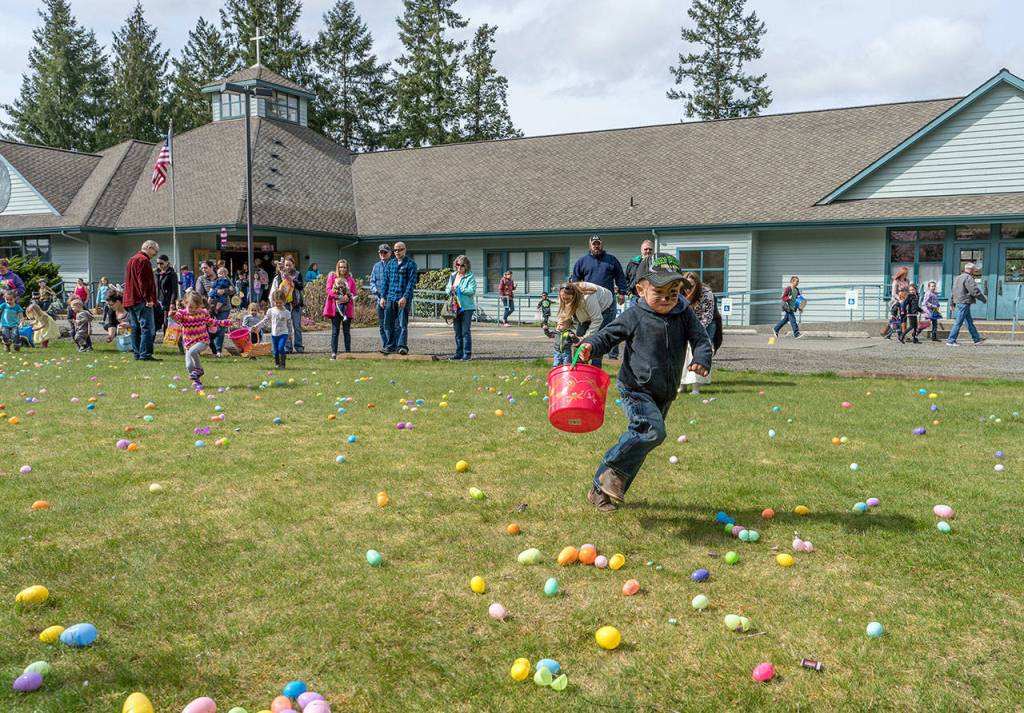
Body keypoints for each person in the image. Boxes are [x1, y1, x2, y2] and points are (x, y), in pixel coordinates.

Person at [576, 253, 712, 512]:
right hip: (636, 388)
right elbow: (608, 335)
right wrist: (590, 346)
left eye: (673, 292)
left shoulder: (683, 313)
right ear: (640, 289)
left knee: (643, 443)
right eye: (659, 292)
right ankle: (608, 474)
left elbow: (701, 339)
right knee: (651, 432)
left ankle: (599, 491)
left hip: (665, 391)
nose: (667, 299)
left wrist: (702, 358)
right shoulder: (635, 314)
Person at [572, 236, 628, 356]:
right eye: (594, 244)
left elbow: (620, 277)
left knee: (607, 330)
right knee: (586, 330)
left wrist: (622, 293)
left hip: (607, 302)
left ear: (602, 245)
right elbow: (575, 282)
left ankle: (611, 357)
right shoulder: (582, 261)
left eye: (598, 243)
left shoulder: (611, 260)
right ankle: (582, 360)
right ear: (590, 245)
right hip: (588, 301)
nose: (596, 246)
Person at [172, 291, 234, 393]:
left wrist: (226, 322)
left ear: (200, 305)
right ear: (185, 303)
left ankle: (199, 369)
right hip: (188, 343)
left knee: (193, 352)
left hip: (202, 340)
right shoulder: (182, 314)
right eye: (190, 307)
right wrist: (173, 315)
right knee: (189, 366)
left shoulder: (203, 313)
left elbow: (212, 322)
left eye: (196, 307)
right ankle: (197, 381)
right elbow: (177, 319)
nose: (193, 310)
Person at [557, 281, 614, 367]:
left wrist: (585, 337)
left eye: (568, 299)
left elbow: (597, 319)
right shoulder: (564, 297)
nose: (565, 302)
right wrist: (561, 323)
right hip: (587, 312)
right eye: (563, 299)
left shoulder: (587, 298)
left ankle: (596, 369)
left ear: (574, 296)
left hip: (605, 308)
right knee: (578, 340)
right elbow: (564, 314)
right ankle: (579, 368)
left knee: (596, 340)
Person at [123, 240, 160, 361]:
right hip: (141, 299)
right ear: (149, 248)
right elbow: (144, 283)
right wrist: (148, 298)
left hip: (130, 299)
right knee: (147, 328)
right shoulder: (144, 260)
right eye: (155, 251)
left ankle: (137, 353)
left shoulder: (131, 259)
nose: (155, 254)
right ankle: (145, 354)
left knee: (135, 327)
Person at [379, 242, 418, 355]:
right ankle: (390, 346)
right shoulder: (390, 264)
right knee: (388, 323)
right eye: (395, 250)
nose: (397, 252)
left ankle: (402, 346)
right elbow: (385, 282)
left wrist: (405, 297)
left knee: (402, 324)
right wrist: (383, 297)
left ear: (405, 250)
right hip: (390, 297)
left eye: (400, 249)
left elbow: (411, 283)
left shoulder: (411, 264)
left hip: (403, 299)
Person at [680, 272, 716, 395]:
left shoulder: (706, 293)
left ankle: (696, 388)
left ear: (697, 284)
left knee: (697, 356)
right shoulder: (679, 293)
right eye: (685, 285)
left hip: (703, 326)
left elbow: (708, 315)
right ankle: (682, 385)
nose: (688, 288)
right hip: (685, 327)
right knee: (682, 356)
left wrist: (695, 331)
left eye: (691, 285)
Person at [196, 260, 235, 356]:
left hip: (224, 308)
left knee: (220, 328)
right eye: (202, 268)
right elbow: (199, 294)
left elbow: (233, 290)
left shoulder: (223, 275)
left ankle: (218, 351)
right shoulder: (201, 279)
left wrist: (223, 291)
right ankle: (213, 349)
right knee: (208, 329)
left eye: (205, 267)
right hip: (208, 309)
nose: (203, 270)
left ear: (212, 267)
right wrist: (210, 296)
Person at [251, 290, 294, 369]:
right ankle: (277, 363)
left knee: (281, 348)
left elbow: (289, 325)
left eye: (280, 303)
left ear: (284, 301)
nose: (278, 304)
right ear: (274, 301)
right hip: (274, 334)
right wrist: (256, 326)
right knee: (275, 351)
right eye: (276, 303)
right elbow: (265, 320)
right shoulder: (271, 311)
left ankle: (283, 364)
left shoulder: (287, 312)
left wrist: (290, 334)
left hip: (283, 333)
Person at [444, 255, 476, 361]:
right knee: (457, 331)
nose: (459, 267)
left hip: (467, 307)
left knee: (465, 331)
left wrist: (459, 289)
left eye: (462, 265)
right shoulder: (453, 276)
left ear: (466, 266)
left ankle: (467, 354)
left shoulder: (470, 276)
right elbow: (447, 289)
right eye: (458, 265)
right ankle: (458, 353)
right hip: (455, 307)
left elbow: (471, 290)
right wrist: (451, 289)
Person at [324, 258, 358, 358]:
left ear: (347, 268)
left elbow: (354, 292)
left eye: (344, 267)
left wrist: (347, 298)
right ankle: (334, 352)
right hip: (335, 308)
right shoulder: (332, 277)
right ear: (338, 268)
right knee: (335, 331)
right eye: (340, 267)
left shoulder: (350, 279)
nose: (342, 269)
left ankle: (348, 352)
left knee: (347, 331)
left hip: (347, 309)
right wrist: (339, 297)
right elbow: (329, 290)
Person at [947, 263, 986, 346]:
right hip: (965, 302)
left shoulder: (957, 278)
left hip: (959, 302)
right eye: (974, 270)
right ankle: (951, 340)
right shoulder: (968, 278)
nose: (974, 271)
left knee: (969, 322)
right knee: (958, 322)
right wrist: (983, 299)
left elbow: (953, 291)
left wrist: (952, 302)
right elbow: (974, 291)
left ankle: (977, 339)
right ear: (971, 270)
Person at [271, 257, 305, 353]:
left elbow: (301, 286)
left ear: (293, 265)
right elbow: (277, 289)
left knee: (296, 326)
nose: (288, 267)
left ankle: (299, 346)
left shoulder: (297, 274)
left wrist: (291, 280)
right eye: (286, 265)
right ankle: (287, 347)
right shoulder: (279, 276)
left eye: (290, 265)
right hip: (284, 304)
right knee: (285, 326)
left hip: (295, 304)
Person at [369, 244, 391, 351]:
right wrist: (376, 291)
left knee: (389, 325)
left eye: (385, 252)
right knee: (381, 325)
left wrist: (385, 296)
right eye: (381, 252)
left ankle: (390, 346)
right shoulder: (376, 266)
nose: (382, 254)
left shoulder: (392, 265)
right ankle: (385, 346)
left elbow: (392, 283)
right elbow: (372, 281)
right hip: (379, 300)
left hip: (390, 300)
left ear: (389, 253)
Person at [624, 239, 655, 304]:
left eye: (650, 249)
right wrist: (629, 293)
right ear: (641, 250)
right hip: (635, 298)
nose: (648, 251)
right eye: (645, 249)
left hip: (652, 297)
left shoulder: (657, 264)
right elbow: (625, 279)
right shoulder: (633, 263)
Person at [155, 255, 178, 334]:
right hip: (158, 300)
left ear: (167, 262)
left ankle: (167, 338)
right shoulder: (156, 273)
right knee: (157, 319)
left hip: (168, 300)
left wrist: (172, 303)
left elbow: (174, 290)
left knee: (166, 320)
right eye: (157, 263)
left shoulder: (172, 274)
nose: (159, 265)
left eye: (161, 263)